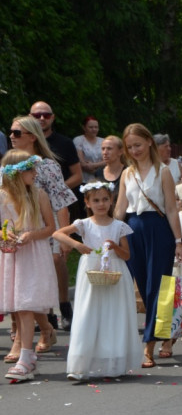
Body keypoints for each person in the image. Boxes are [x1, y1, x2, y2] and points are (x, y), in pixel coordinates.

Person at [114, 123, 182, 367]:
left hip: (158, 228)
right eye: (129, 146)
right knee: (145, 287)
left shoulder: (163, 171)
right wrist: (109, 232)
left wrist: (178, 240)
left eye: (138, 144)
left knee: (160, 286)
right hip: (133, 229)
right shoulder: (127, 173)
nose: (134, 150)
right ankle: (165, 331)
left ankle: (149, 345)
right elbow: (121, 208)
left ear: (148, 143)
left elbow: (170, 208)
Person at [53, 183, 142, 380]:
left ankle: (114, 363)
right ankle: (81, 366)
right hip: (91, 271)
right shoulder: (84, 224)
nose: (101, 204)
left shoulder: (119, 226)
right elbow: (57, 233)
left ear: (111, 201)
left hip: (115, 271)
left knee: (112, 315)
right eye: (96, 200)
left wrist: (114, 247)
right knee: (88, 313)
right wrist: (77, 244)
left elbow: (126, 255)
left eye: (105, 199)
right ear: (88, 202)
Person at [8, 116, 77, 349]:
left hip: (45, 231)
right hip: (18, 230)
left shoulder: (48, 166)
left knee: (33, 285)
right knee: (18, 283)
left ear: (31, 136)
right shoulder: (7, 165)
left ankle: (29, 336)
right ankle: (40, 330)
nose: (11, 136)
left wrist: (64, 239)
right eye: (11, 132)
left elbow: (61, 204)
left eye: (17, 132)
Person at [0, 152, 57, 381]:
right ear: (16, 173)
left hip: (33, 255)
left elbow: (50, 227)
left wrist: (30, 235)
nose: (35, 174)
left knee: (25, 305)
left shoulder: (38, 195)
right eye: (31, 170)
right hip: (12, 256)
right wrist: (6, 234)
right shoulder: (2, 196)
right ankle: (27, 355)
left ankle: (25, 356)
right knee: (19, 305)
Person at [74, 116, 104, 184]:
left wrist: (93, 166)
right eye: (91, 127)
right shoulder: (79, 140)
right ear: (84, 128)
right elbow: (81, 162)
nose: (94, 129)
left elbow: (108, 161)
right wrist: (99, 166)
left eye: (96, 127)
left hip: (100, 180)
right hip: (84, 180)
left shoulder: (103, 141)